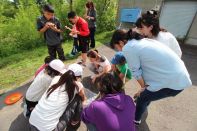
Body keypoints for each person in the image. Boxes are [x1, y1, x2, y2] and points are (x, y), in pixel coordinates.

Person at [110, 29, 192, 125]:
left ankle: (135, 120)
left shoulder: (128, 47)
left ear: (120, 42)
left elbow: (136, 72)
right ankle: (144, 103)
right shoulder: (141, 41)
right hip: (179, 76)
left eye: (117, 48)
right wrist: (145, 88)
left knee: (141, 98)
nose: (119, 51)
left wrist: (143, 88)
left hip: (173, 82)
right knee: (146, 96)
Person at [29, 64, 86, 131]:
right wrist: (84, 102)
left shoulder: (56, 79)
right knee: (78, 98)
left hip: (32, 122)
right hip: (49, 129)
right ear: (78, 77)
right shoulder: (78, 86)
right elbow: (83, 97)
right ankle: (75, 120)